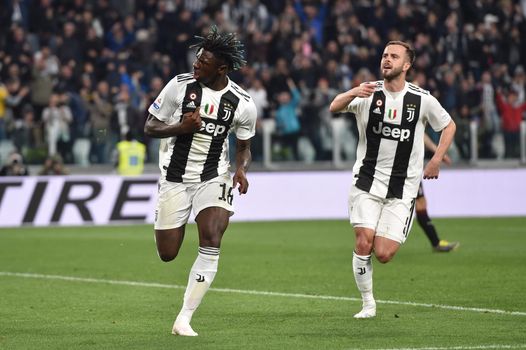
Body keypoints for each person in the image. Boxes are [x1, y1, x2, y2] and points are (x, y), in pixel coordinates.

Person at [329, 41, 456, 319]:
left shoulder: (421, 99)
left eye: (394, 56)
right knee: (363, 241)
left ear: (406, 65)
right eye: (385, 55)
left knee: (383, 253)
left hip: (402, 190)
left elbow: (448, 125)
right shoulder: (368, 92)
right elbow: (334, 107)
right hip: (366, 183)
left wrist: (435, 160)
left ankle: (388, 236)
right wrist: (353, 91)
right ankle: (368, 304)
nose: (387, 60)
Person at [143, 26, 257, 336]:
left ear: (221, 68)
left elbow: (244, 145)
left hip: (214, 176)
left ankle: (184, 318)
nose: (196, 63)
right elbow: (150, 127)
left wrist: (241, 169)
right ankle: (184, 316)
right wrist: (180, 128)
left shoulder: (243, 103)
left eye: (203, 61)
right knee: (168, 253)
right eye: (197, 57)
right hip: (174, 179)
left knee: (212, 236)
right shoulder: (179, 86)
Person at [417, 134, 459, 252]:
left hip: (409, 168)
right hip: (402, 168)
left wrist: (438, 153)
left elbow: (421, 134)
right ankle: (436, 243)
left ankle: (436, 243)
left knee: (421, 204)